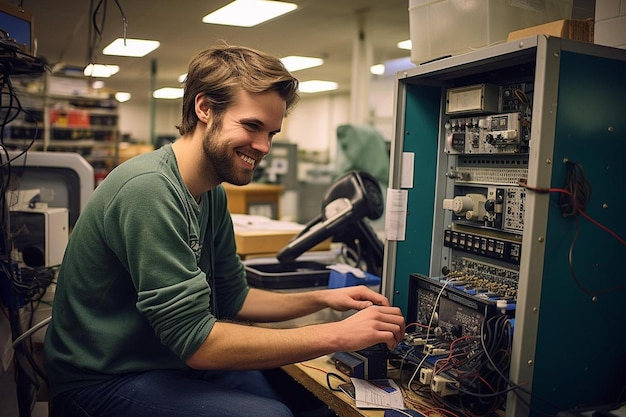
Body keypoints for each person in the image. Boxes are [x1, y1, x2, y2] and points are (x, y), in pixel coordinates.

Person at [44, 44, 406, 417]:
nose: (263, 147)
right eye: (252, 126)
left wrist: (323, 299)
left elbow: (234, 298)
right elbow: (197, 343)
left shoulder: (210, 193)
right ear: (204, 108)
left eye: (271, 133)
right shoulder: (148, 189)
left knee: (311, 403)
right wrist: (338, 335)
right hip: (101, 380)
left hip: (168, 363)